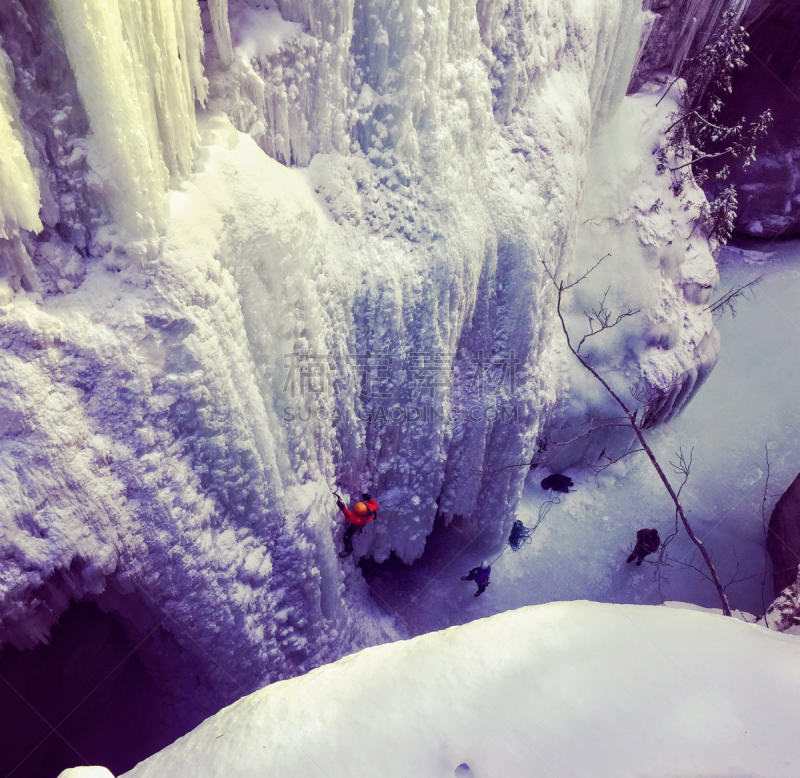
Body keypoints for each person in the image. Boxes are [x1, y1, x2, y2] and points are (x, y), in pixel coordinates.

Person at [336, 493, 378, 558]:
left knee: (347, 535)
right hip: (368, 517)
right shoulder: (370, 507)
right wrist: (369, 498)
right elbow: (376, 505)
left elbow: (349, 516)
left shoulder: (358, 519)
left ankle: (348, 550)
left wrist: (342, 507)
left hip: (358, 524)